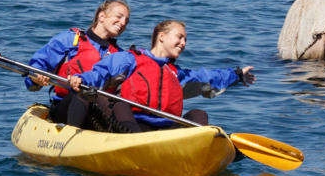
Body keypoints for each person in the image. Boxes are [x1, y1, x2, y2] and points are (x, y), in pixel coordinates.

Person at [68, 20, 255, 132]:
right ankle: (136, 144)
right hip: (132, 126)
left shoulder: (175, 72)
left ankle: (207, 149)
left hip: (165, 131)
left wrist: (237, 75)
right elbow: (101, 72)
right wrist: (82, 80)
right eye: (179, 37)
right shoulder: (130, 59)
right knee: (120, 102)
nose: (183, 43)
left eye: (185, 40)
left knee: (199, 113)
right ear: (162, 36)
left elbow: (209, 77)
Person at [25, 0, 131, 127]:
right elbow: (38, 66)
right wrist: (36, 77)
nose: (123, 23)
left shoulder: (120, 55)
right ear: (101, 16)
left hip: (99, 111)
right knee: (84, 92)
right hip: (65, 108)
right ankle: (72, 137)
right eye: (119, 17)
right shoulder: (70, 40)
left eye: (126, 21)